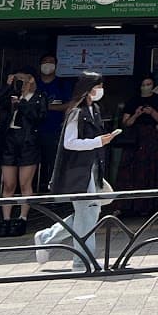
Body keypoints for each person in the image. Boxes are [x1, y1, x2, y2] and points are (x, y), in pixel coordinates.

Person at [33, 72, 121, 269]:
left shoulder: (94, 109)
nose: (100, 90)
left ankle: (47, 237)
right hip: (78, 171)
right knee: (87, 214)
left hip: (91, 168)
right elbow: (69, 143)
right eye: (98, 86)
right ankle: (82, 260)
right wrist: (99, 141)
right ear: (88, 89)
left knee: (89, 213)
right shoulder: (77, 112)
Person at [0, 67, 46, 237]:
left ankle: (22, 218)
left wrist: (22, 103)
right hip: (10, 141)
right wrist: (7, 87)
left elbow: (38, 117)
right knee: (8, 184)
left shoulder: (39, 98)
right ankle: (6, 219)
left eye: (24, 80)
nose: (21, 84)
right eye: (18, 80)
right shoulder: (11, 97)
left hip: (28, 142)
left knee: (24, 184)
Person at [116, 74, 158, 217]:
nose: (146, 87)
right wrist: (137, 114)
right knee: (129, 168)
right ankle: (126, 204)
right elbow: (126, 122)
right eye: (144, 84)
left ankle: (147, 205)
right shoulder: (133, 100)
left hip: (150, 135)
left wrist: (151, 112)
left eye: (149, 84)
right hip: (134, 137)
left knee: (149, 168)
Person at [33, 53, 73, 188]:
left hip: (54, 130)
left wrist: (46, 107)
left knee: (52, 162)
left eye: (51, 62)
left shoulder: (62, 84)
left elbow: (69, 104)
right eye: (45, 61)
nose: (47, 65)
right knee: (32, 162)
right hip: (32, 130)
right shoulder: (33, 84)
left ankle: (51, 191)